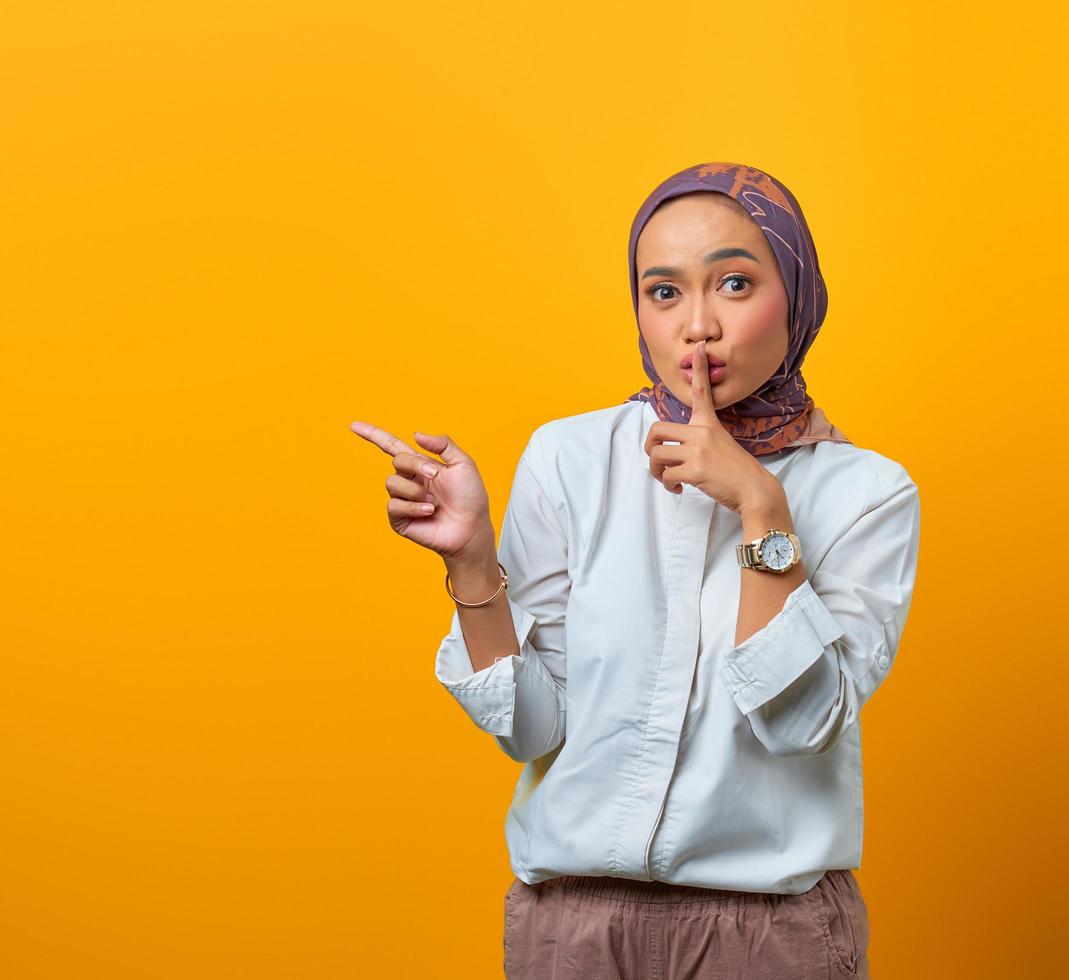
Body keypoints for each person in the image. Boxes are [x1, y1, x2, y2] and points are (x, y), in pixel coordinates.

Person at [349, 161, 920, 978]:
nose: (696, 326)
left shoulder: (869, 493)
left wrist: (761, 507)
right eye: (663, 292)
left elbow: (799, 724)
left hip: (767, 937)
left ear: (795, 291)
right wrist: (473, 565)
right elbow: (532, 730)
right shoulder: (569, 457)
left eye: (732, 282)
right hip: (572, 932)